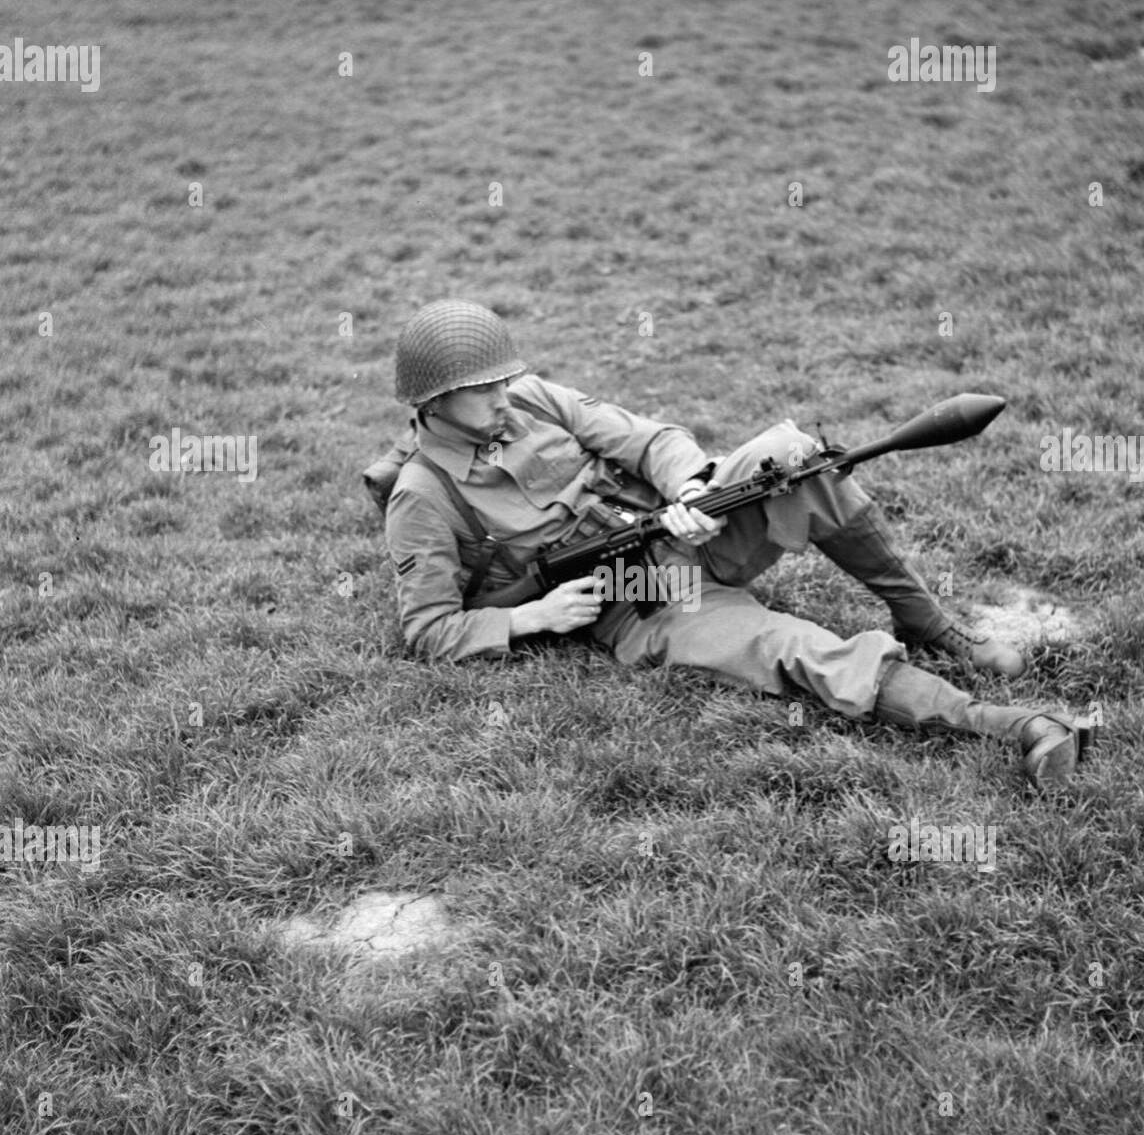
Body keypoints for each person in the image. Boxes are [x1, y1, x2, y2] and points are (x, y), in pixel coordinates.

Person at [376, 300, 1088, 788]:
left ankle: (930, 626)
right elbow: (427, 628)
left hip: (673, 527)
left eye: (505, 380)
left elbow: (647, 438)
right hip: (634, 604)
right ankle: (1016, 726)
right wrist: (533, 617)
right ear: (432, 402)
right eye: (485, 390)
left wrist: (689, 489)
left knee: (796, 458)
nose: (505, 397)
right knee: (790, 644)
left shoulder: (529, 397)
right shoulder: (422, 495)